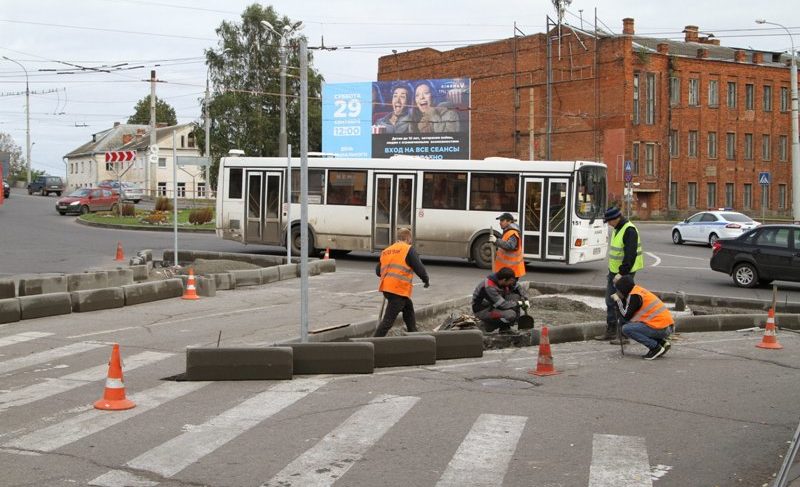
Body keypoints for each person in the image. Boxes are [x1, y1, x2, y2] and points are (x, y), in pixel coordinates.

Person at [595, 206, 643, 341]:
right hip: (614, 273)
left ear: (616, 218)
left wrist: (621, 273)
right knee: (610, 301)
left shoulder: (629, 230)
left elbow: (630, 255)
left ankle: (624, 334)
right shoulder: (618, 228)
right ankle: (611, 331)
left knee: (622, 303)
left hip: (624, 275)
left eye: (609, 221)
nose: (609, 224)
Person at [374, 227, 430, 337]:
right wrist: (425, 279)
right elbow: (419, 267)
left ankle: (413, 332)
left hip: (388, 289)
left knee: (408, 307)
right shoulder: (407, 249)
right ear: (408, 238)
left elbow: (378, 271)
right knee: (388, 321)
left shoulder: (387, 251)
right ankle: (373, 342)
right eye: (410, 239)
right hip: (398, 290)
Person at [611, 275, 674, 360]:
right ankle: (662, 343)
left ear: (623, 290)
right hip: (667, 326)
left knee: (626, 329)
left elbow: (625, 315)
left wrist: (618, 300)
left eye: (619, 290)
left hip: (661, 328)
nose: (618, 292)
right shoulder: (638, 290)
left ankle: (655, 347)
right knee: (632, 324)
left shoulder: (634, 297)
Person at [471, 267, 529, 333]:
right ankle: (486, 326)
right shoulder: (489, 287)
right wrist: (519, 303)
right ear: (504, 280)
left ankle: (505, 327)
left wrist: (524, 296)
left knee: (515, 296)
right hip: (482, 310)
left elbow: (516, 286)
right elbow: (503, 305)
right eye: (510, 281)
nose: (511, 283)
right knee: (511, 314)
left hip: (494, 305)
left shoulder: (501, 279)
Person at [490, 212, 526, 278]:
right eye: (500, 220)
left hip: (512, 271)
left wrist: (496, 241)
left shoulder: (512, 233)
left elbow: (511, 246)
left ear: (509, 221)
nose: (500, 222)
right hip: (508, 270)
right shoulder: (507, 232)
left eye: (502, 220)